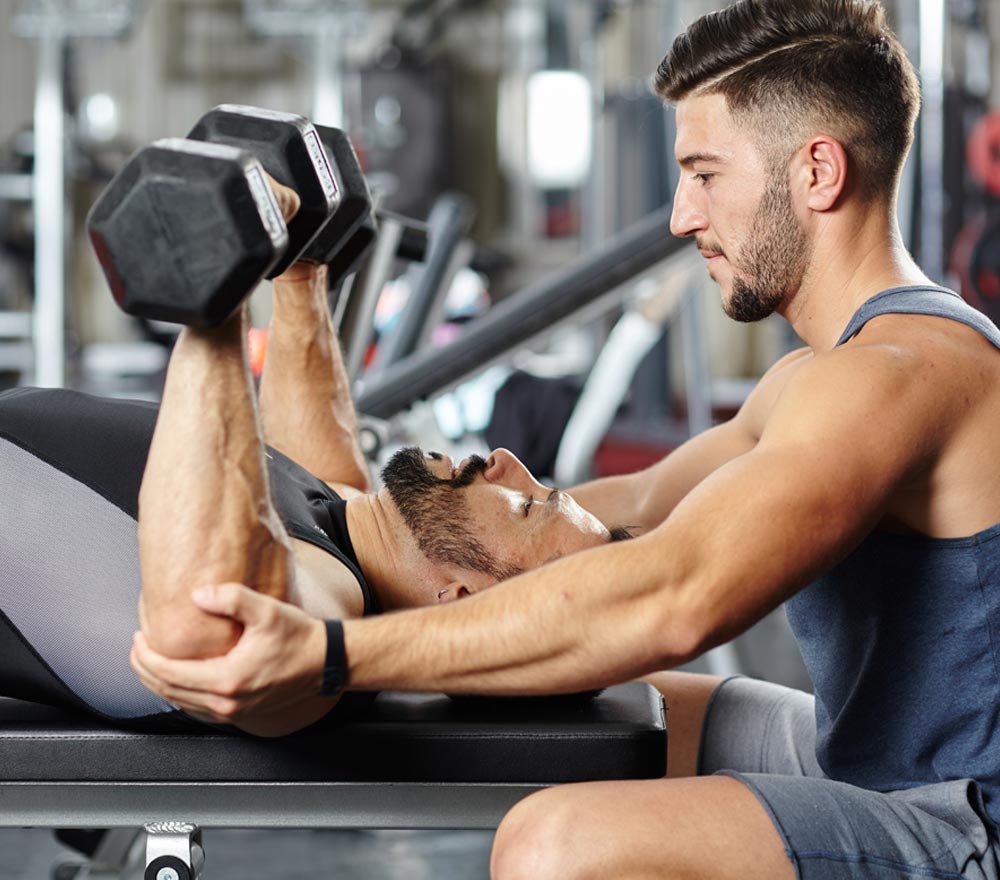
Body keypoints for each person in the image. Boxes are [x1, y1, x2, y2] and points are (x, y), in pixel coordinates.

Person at [132, 0, 1000, 876]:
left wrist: (331, 655)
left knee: (557, 843)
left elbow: (677, 598)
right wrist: (380, 521)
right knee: (623, 708)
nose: (680, 217)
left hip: (967, 822)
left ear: (817, 172)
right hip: (873, 756)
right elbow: (610, 514)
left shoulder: (896, 375)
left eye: (704, 174)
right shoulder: (816, 377)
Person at [0, 177, 625, 738]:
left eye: (524, 507)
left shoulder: (323, 616)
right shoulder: (351, 530)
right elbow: (312, 444)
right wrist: (303, 265)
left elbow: (212, 634)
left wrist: (216, 295)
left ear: (462, 598)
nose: (505, 460)